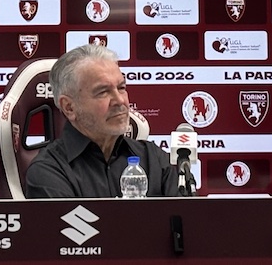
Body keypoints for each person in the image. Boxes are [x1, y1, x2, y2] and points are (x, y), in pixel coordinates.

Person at [25, 44, 179, 198]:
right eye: (103, 92)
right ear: (69, 107)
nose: (120, 101)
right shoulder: (48, 171)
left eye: (121, 88)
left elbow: (185, 212)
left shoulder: (153, 159)